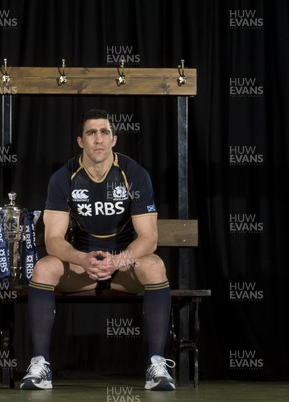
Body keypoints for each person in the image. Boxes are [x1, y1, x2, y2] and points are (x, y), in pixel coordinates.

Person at [20, 109, 176, 391]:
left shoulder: (134, 174)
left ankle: (157, 364)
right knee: (43, 267)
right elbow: (53, 239)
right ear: (81, 141)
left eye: (104, 132)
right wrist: (82, 258)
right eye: (91, 133)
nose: (98, 139)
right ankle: (40, 363)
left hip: (124, 266)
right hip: (82, 265)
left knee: (154, 265)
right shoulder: (63, 177)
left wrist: (118, 260)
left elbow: (149, 238)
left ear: (114, 139)